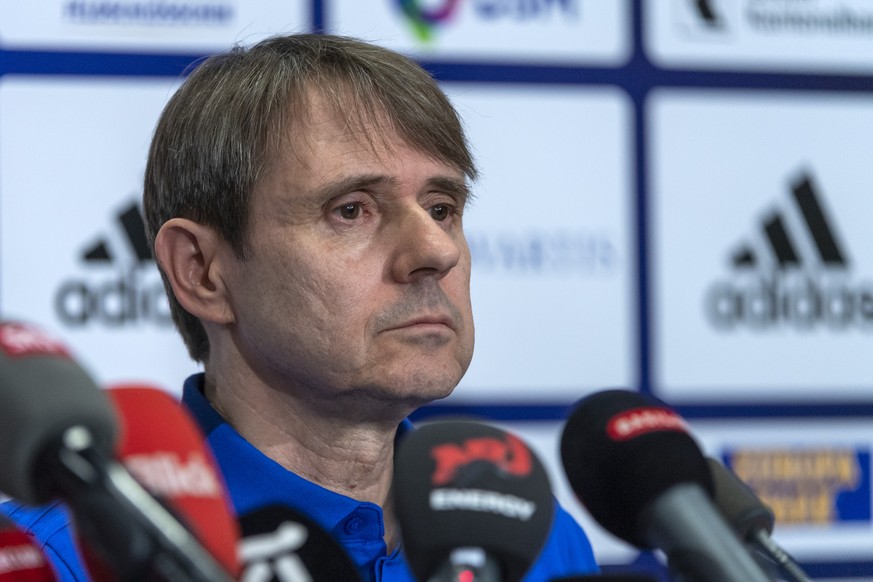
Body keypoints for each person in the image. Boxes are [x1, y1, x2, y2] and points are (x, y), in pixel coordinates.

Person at [2, 33, 599, 581]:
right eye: (351, 210)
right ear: (201, 271)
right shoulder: (65, 558)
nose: (436, 252)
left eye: (442, 208)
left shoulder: (537, 544)